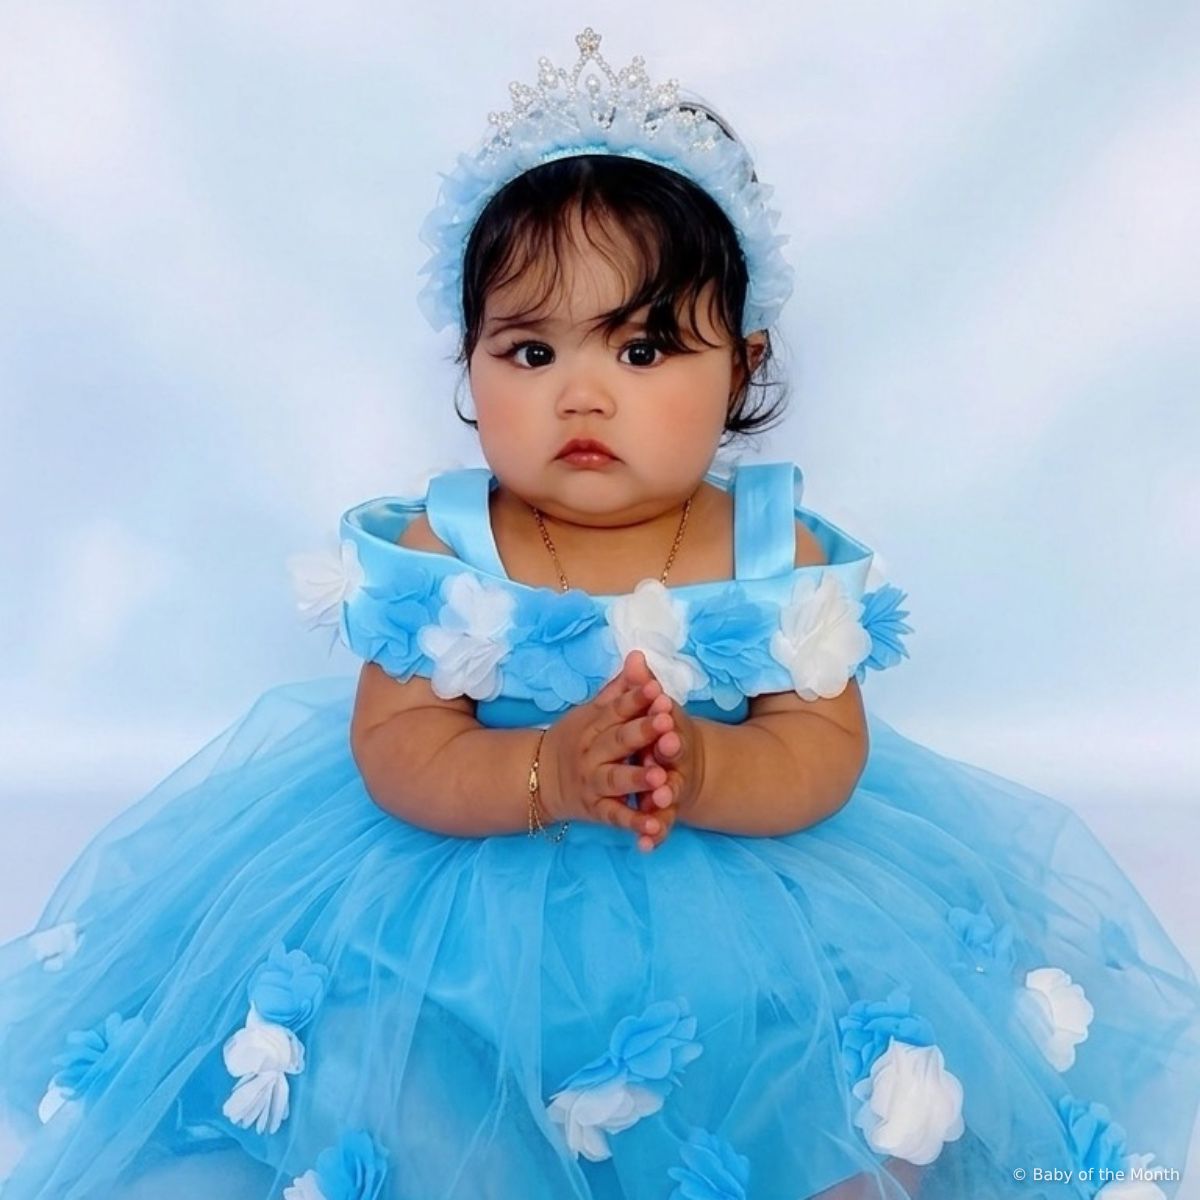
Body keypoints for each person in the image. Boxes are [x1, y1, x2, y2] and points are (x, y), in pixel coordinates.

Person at [0, 26, 1196, 1200]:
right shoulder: (445, 546)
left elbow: (825, 748)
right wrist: (548, 773)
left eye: (644, 347)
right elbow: (398, 746)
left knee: (828, 1040)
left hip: (736, 896)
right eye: (530, 352)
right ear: (468, 360)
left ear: (743, 365)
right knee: (395, 1046)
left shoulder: (772, 548)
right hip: (466, 901)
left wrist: (707, 768)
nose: (582, 393)